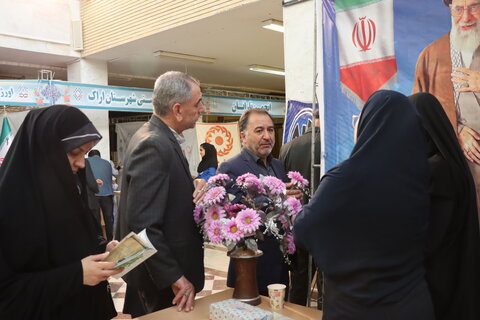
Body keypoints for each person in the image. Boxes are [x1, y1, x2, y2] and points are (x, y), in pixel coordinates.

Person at [294, 91, 434, 320]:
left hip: (358, 307)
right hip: (412, 306)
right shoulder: (420, 178)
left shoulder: (344, 177)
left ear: (370, 124)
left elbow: (303, 231)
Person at [0, 105, 122, 319]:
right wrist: (77, 275)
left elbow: (68, 245)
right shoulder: (10, 206)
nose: (82, 163)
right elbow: (8, 294)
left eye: (84, 153)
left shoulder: (65, 192)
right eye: (74, 152)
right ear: (44, 150)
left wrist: (102, 248)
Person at [116, 71, 206, 317]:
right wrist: (174, 277)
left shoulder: (160, 137)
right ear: (177, 109)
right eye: (198, 103)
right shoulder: (153, 144)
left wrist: (194, 183)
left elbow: (163, 191)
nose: (202, 109)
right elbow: (143, 223)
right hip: (160, 281)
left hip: (159, 273)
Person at [409, 92, 480, 320]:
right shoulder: (450, 164)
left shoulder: (436, 170)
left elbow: (429, 238)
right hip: (453, 280)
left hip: (438, 285)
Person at [217, 108, 301, 297]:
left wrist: (293, 203)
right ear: (243, 136)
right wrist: (279, 197)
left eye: (270, 130)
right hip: (251, 265)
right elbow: (235, 210)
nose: (267, 136)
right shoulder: (231, 167)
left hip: (280, 264)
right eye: (259, 130)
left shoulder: (278, 165)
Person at [413, 0, 480, 221]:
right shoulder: (431, 56)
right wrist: (453, 132)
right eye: (459, 8)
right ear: (450, 9)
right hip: (454, 169)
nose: (466, 16)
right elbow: (417, 117)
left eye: (474, 6)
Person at [279, 110, 321, 307]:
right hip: (325, 224)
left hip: (296, 222)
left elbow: (281, 186)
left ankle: (296, 315)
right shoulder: (332, 145)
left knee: (299, 278)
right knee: (326, 282)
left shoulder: (288, 147)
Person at [87, 149, 115, 241]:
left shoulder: (86, 162)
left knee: (96, 219)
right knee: (108, 219)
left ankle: (99, 241)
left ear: (89, 156)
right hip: (107, 195)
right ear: (99, 155)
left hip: (93, 195)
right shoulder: (107, 163)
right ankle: (110, 240)